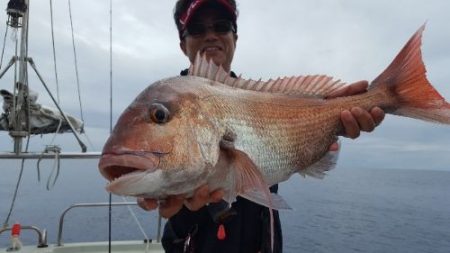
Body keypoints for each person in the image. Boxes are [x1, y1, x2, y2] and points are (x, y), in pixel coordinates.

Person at [138, 0, 385, 252]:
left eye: (221, 26)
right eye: (198, 29)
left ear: (235, 37)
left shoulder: (264, 100)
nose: (211, 36)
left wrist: (333, 125)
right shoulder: (165, 103)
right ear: (183, 43)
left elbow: (295, 156)